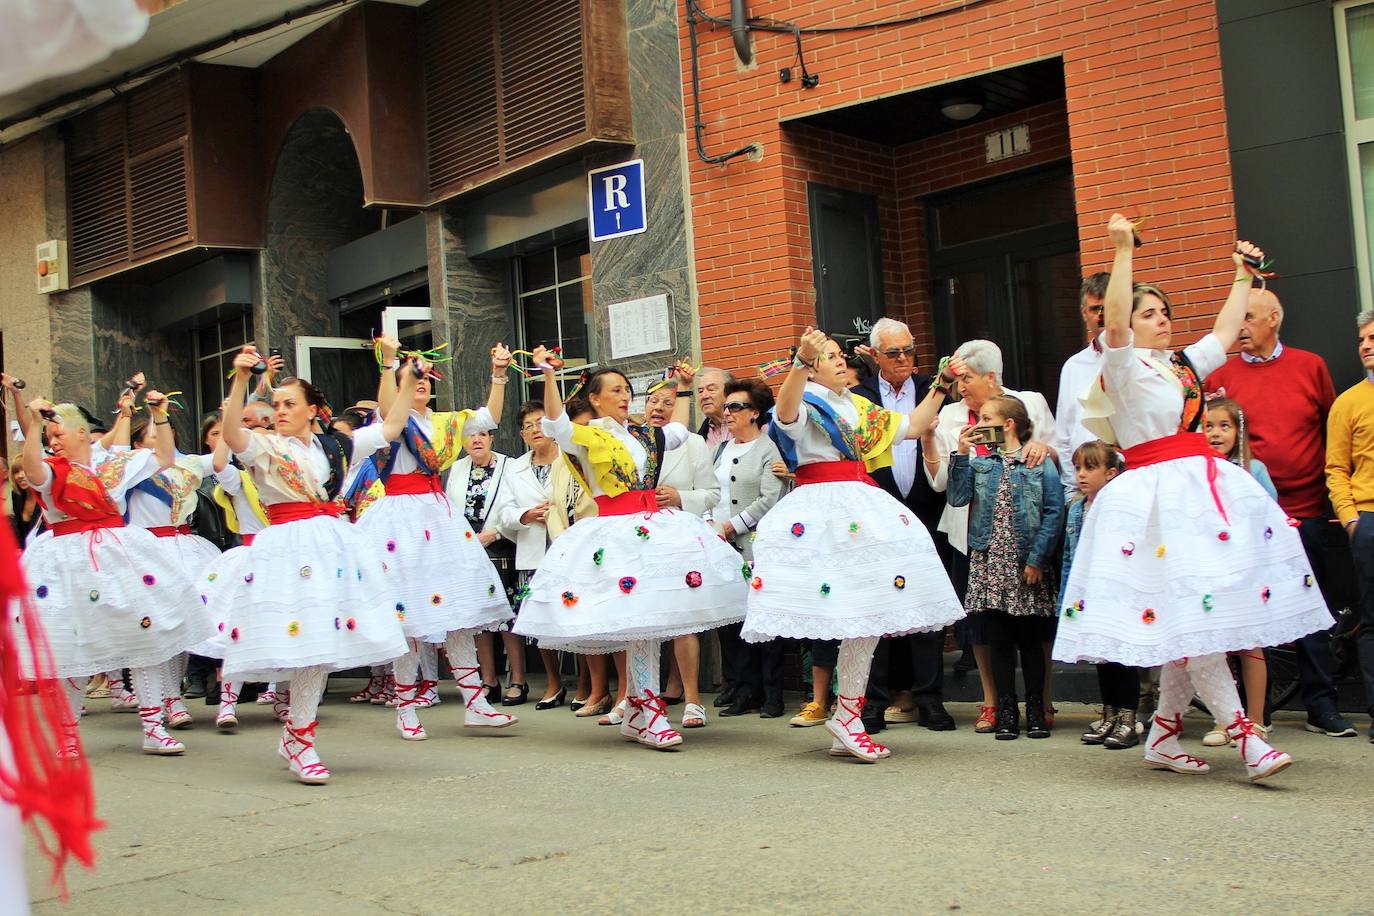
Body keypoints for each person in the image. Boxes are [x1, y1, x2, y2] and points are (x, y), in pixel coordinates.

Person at [1055, 215, 1329, 782]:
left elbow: (1226, 334)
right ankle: (1246, 737)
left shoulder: (1179, 366)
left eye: (1164, 312)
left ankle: (1162, 734)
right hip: (1154, 500)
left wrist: (1241, 278)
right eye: (1148, 313)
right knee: (1196, 613)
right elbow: (1117, 319)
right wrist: (1124, 250)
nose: (1162, 321)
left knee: (1198, 612)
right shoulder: (1121, 365)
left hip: (1199, 489)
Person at [742, 329, 964, 762]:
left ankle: (848, 716)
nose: (840, 361)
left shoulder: (858, 403)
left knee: (865, 619)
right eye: (828, 357)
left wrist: (938, 385)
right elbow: (784, 413)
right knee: (851, 618)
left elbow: (914, 427)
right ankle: (847, 718)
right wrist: (800, 365)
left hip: (859, 504)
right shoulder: (806, 401)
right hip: (822, 512)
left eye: (839, 355)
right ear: (811, 367)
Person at [514, 350, 749, 751]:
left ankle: (643, 709)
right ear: (595, 398)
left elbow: (679, 428)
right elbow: (556, 424)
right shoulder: (587, 434)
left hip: (654, 524)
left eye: (627, 389)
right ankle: (646, 708)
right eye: (616, 390)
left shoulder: (643, 433)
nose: (625, 396)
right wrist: (551, 375)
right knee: (638, 620)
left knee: (653, 617)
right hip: (616, 528)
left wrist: (683, 387)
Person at [200, 347, 408, 784]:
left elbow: (391, 426)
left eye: (290, 404)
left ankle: (299, 736)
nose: (280, 411)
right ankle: (300, 738)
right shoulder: (264, 446)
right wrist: (239, 380)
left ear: (313, 410)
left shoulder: (335, 443)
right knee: (303, 644)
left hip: (329, 545)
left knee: (319, 644)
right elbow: (234, 435)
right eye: (276, 405)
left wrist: (402, 378)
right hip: (285, 549)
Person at [2, 373, 210, 757]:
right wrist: (32, 426)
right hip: (69, 563)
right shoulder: (52, 469)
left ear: (82, 432)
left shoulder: (112, 463)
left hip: (118, 557)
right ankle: (67, 736)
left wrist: (159, 416)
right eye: (49, 436)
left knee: (143, 638)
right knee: (75, 647)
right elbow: (32, 470)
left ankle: (153, 727)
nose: (53, 440)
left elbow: (164, 458)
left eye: (57, 433)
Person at [1206, 288, 1356, 738]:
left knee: (1305, 611)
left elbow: (1333, 432)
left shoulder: (1310, 366)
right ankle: (1254, 713)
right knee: (1244, 616)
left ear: (1274, 318)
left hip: (1305, 511)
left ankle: (1321, 705)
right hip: (1245, 523)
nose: (1240, 329)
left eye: (1248, 318)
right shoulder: (1223, 376)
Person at [350, 337, 516, 740]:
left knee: (457, 613)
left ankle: (475, 701)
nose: (420, 380)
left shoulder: (445, 421)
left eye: (424, 375)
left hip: (438, 517)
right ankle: (406, 706)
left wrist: (498, 374)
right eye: (413, 375)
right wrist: (391, 363)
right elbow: (390, 407)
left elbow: (490, 417)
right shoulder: (392, 422)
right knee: (407, 617)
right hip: (400, 520)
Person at [924, 339, 1056, 733]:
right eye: (957, 380)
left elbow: (1056, 461)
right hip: (978, 540)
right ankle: (995, 704)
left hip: (1025, 542)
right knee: (986, 629)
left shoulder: (1028, 402)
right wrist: (949, 448)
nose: (960, 387)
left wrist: (1042, 449)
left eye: (966, 379)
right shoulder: (949, 417)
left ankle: (1040, 702)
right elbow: (947, 488)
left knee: (1032, 630)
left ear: (991, 377)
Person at [852, 317, 955, 732]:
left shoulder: (938, 392)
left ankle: (929, 699)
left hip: (928, 511)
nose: (903, 359)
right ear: (874, 355)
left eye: (908, 350)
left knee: (926, 608)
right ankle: (873, 702)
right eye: (893, 353)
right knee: (878, 608)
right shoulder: (859, 397)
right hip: (878, 517)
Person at [948, 395, 1064, 740]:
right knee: (997, 639)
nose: (978, 425)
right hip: (990, 560)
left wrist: (1037, 559)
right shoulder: (982, 463)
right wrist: (962, 454)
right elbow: (956, 498)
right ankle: (1007, 710)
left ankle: (1036, 708)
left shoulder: (1037, 462)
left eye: (985, 419)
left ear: (1008, 424)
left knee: (1030, 639)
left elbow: (1054, 511)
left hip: (1025, 560)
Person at [642, 377, 719, 729]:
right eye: (652, 402)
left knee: (683, 619)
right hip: (639, 538)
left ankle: (692, 700)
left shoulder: (693, 444)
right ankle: (633, 697)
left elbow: (711, 493)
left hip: (679, 537)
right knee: (640, 618)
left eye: (667, 403)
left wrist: (680, 498)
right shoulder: (632, 442)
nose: (658, 408)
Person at [1197, 397, 1275, 746]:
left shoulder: (1252, 470)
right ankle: (1225, 719)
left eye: (1224, 426)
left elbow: (1269, 515)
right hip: (1210, 570)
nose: (1215, 433)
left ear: (1238, 431)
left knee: (1250, 645)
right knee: (1217, 648)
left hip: (1245, 569)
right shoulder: (1196, 471)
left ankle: (1256, 720)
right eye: (1208, 426)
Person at [493, 400, 577, 709]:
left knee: (574, 614)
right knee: (541, 619)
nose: (534, 430)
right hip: (533, 552)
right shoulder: (515, 467)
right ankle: (553, 683)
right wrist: (526, 514)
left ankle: (586, 686)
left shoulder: (570, 458)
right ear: (522, 434)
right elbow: (503, 513)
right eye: (528, 426)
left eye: (540, 422)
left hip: (568, 547)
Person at [708, 379, 784, 721]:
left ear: (755, 413)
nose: (728, 413)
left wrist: (732, 525)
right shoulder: (721, 449)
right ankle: (740, 686)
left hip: (753, 546)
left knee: (760, 620)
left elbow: (771, 498)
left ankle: (769, 693)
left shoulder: (768, 449)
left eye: (735, 407)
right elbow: (709, 489)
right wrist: (710, 522)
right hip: (720, 546)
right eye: (726, 407)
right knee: (730, 618)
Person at [1064, 441, 1139, 749]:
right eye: (1078, 467)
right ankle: (1109, 713)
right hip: (1089, 593)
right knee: (1101, 655)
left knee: (1122, 656)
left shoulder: (1119, 507)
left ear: (1111, 473)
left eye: (1090, 468)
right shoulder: (1077, 509)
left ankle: (1128, 719)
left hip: (1117, 592)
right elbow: (1071, 555)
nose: (1081, 475)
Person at [444, 426, 522, 705]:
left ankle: (518, 679)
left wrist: (495, 533)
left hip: (500, 544)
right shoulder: (456, 469)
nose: (476, 440)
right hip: (468, 548)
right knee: (479, 619)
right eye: (470, 435)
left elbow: (516, 503)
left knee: (506, 617)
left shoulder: (508, 466)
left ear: (491, 438)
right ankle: (488, 679)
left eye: (482, 434)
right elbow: (449, 510)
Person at [1325, 308, 1374, 744]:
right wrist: (1352, 519)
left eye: (1372, 337)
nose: (1365, 345)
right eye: (1361, 339)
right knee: (1373, 621)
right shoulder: (1348, 403)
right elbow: (1336, 467)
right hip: (1369, 520)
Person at [1055, 272, 1112, 495]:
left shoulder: (1143, 357)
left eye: (1108, 308)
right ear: (1084, 313)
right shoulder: (1073, 367)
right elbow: (1065, 433)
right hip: (1085, 493)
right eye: (1095, 309)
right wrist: (1071, 491)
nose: (1102, 316)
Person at [694, 367, 735, 449]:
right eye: (700, 391)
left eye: (711, 389)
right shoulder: (700, 438)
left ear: (729, 392)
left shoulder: (749, 425)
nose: (704, 396)